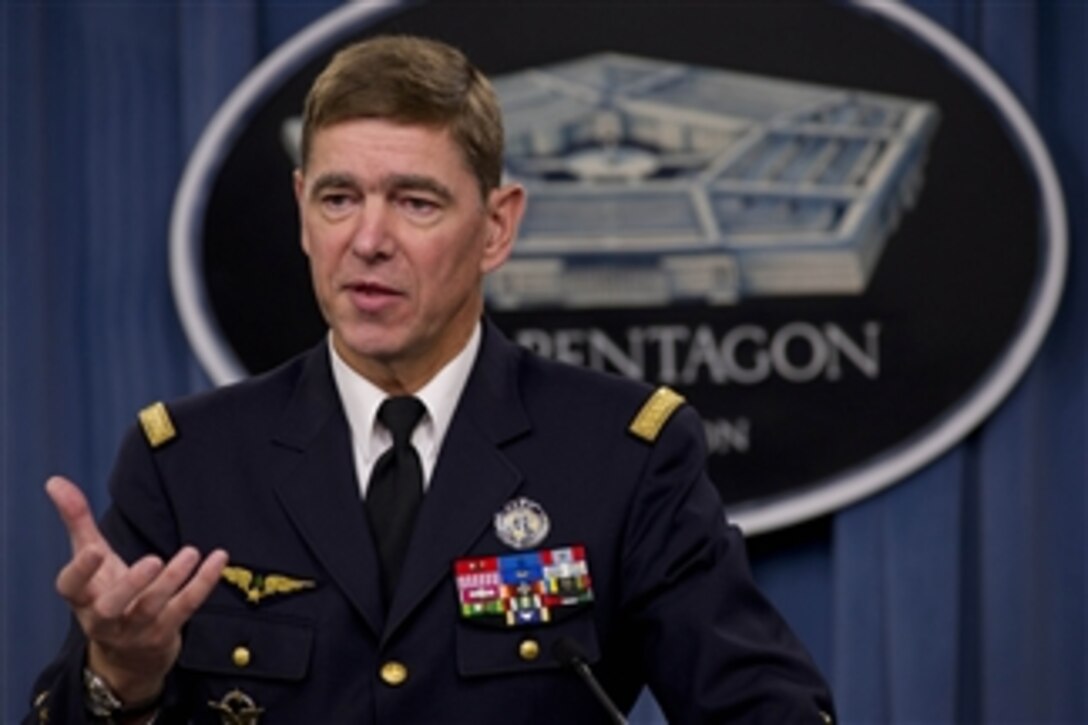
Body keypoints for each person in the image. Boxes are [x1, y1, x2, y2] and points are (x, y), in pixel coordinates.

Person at [26, 35, 835, 724]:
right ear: (303, 209)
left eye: (415, 202)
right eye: (340, 197)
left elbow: (767, 704)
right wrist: (119, 675)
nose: (369, 240)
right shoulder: (189, 461)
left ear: (497, 225)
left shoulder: (622, 456)